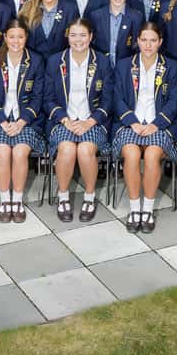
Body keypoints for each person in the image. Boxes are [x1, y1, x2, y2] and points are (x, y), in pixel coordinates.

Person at [112, 22, 177, 234]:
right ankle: (134, 209)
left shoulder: (171, 66)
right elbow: (118, 98)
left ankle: (148, 209)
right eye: (144, 40)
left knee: (152, 156)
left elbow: (174, 101)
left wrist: (155, 124)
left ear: (160, 42)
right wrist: (132, 121)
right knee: (131, 155)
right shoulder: (125, 65)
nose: (148, 45)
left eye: (153, 40)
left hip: (158, 125)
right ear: (137, 41)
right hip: (129, 124)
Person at [44, 18, 112, 222]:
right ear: (67, 36)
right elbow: (48, 99)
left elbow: (108, 99)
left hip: (92, 121)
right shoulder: (56, 61)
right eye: (73, 35)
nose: (78, 39)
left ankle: (89, 197)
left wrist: (90, 121)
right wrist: (65, 120)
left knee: (84, 150)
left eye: (83, 35)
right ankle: (63, 197)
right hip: (64, 120)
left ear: (91, 37)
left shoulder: (102, 61)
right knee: (66, 149)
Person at [0, 19, 47, 223]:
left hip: (26, 120)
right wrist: (2, 121)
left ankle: (17, 200)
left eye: (20, 37)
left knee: (20, 152)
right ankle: (4, 201)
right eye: (12, 36)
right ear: (4, 37)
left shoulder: (35, 61)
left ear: (26, 38)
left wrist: (21, 122)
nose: (16, 41)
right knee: (2, 152)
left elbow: (38, 98)